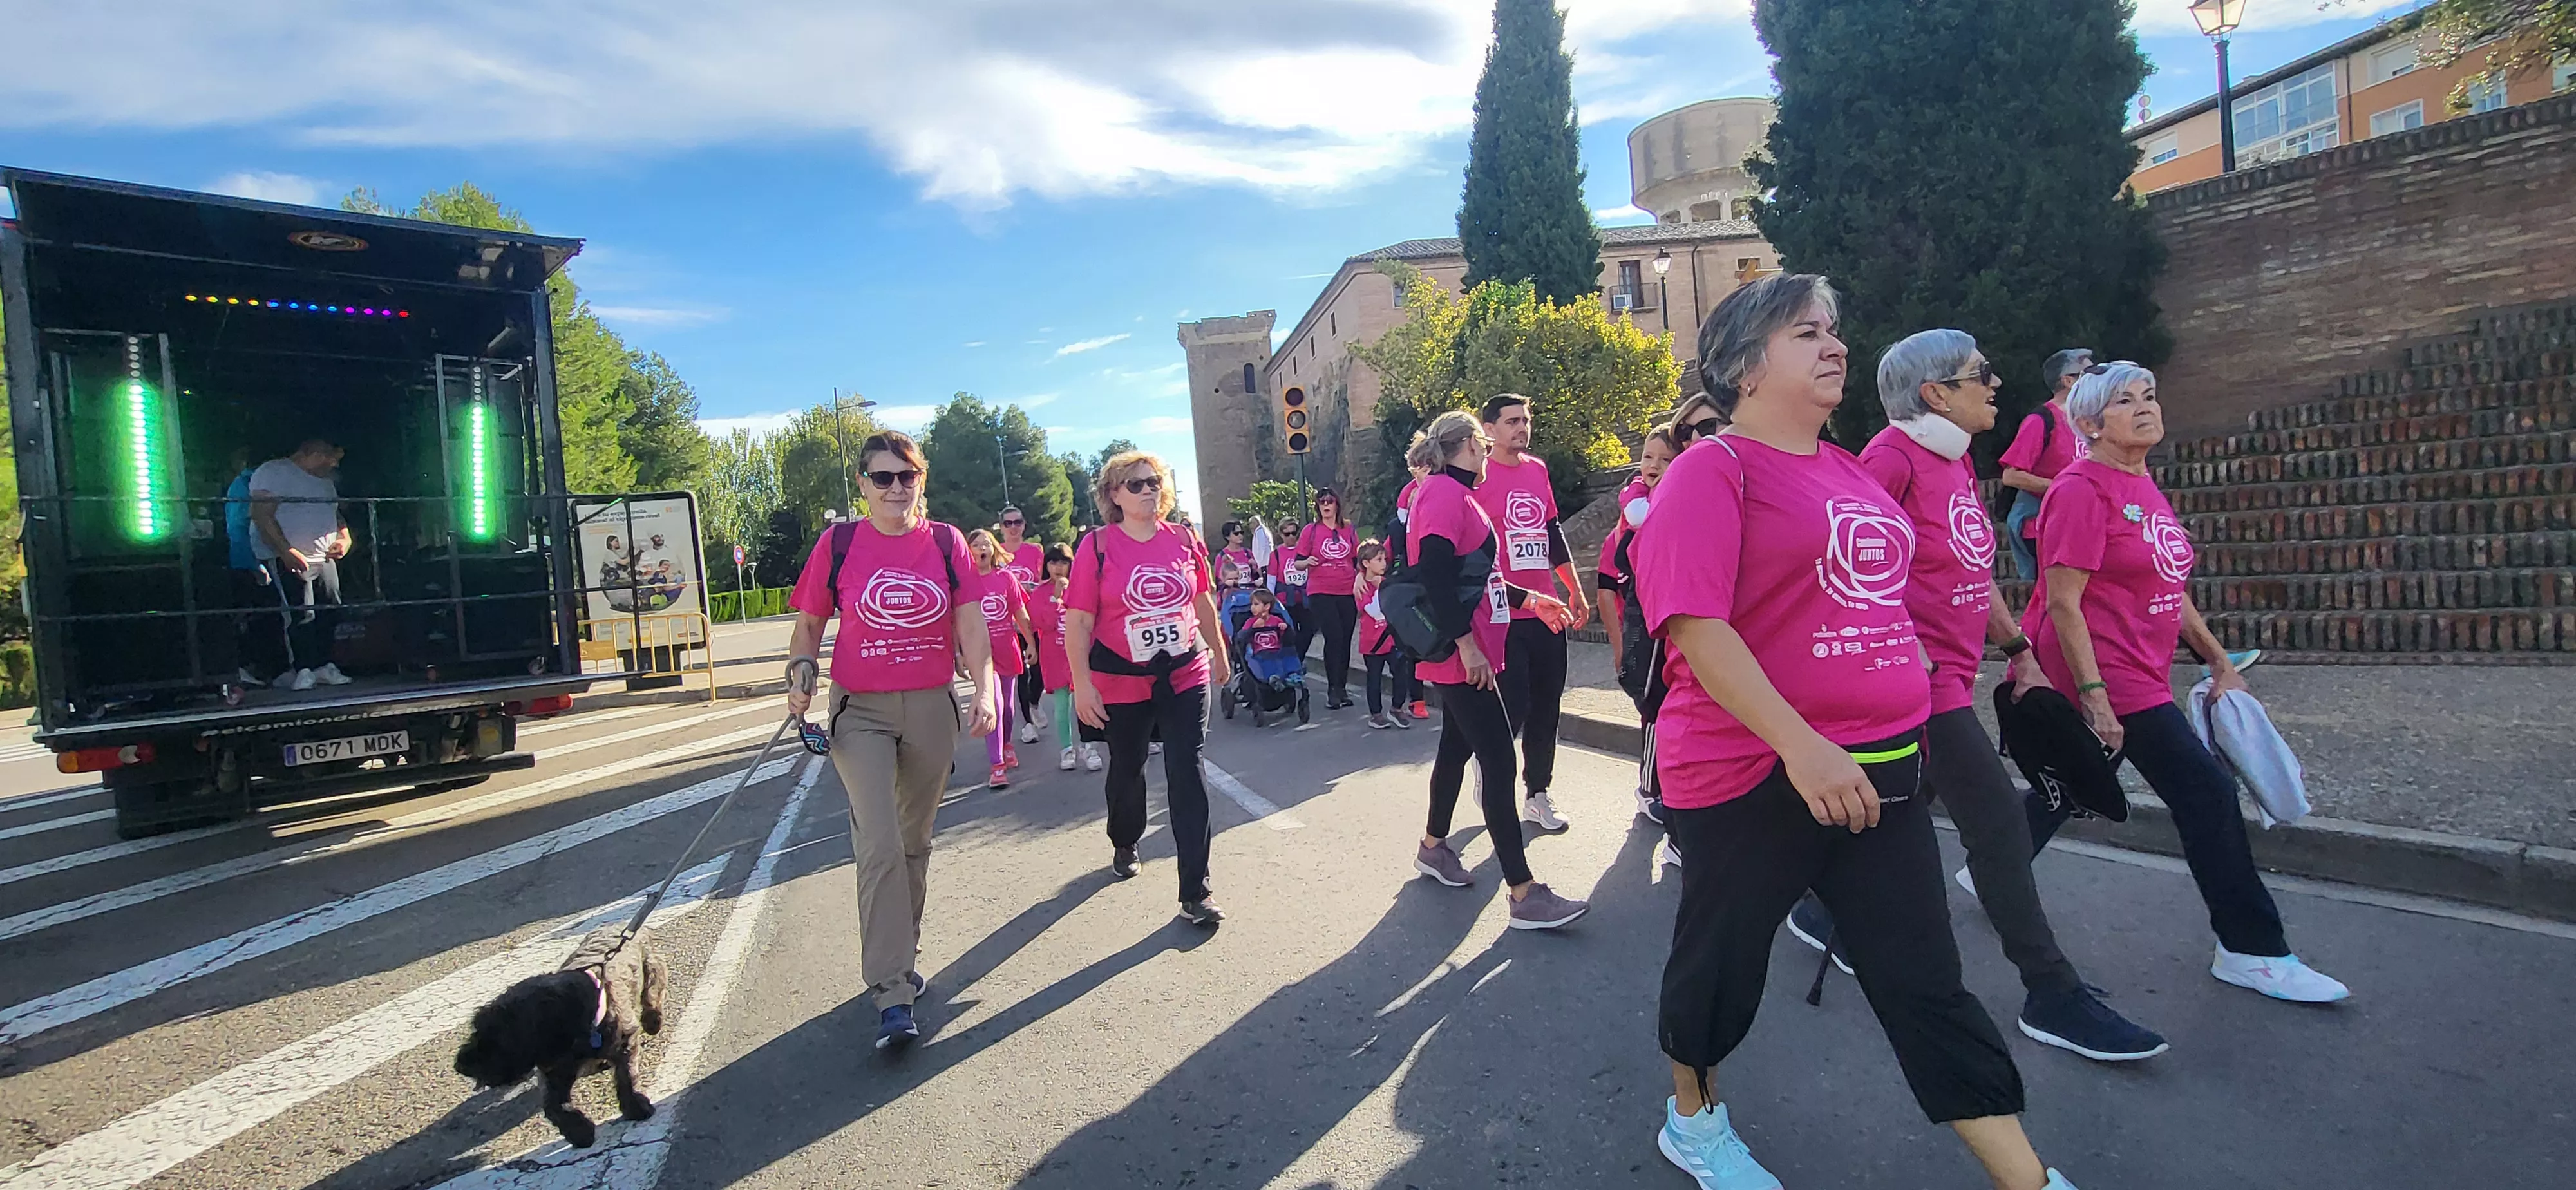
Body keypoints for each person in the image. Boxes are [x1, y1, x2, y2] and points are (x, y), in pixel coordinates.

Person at [1636, 274, 2078, 1190]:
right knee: (1721, 968)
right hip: (1751, 773)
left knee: (1926, 982)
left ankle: (2029, 1181)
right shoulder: (1711, 471)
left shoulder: (1849, 471)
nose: (1835, 346)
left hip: (1882, 771)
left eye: (1834, 329)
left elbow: (1887, 598)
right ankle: (1693, 1120)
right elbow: (1693, 624)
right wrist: (1802, 744)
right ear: (1746, 369)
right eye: (1807, 333)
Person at [1785, 328, 2167, 1063]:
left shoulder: (1952, 462)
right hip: (1919, 685)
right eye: (1978, 374)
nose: (1995, 384)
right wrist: (1898, 654)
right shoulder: (1890, 460)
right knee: (1997, 821)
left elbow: (1967, 570)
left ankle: (1821, 909)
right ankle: (2050, 993)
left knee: (1899, 808)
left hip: (1953, 678)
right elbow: (1848, 568)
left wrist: (2017, 650)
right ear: (1934, 394)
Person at [2023, 361, 2349, 1005]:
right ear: (2089, 423)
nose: (2145, 407)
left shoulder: (2142, 484)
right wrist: (2094, 696)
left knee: (2067, 787)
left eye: (2149, 396)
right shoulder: (2081, 489)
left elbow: (2168, 587)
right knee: (2205, 792)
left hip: (2140, 666)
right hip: (2107, 672)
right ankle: (2251, 950)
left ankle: (1991, 865)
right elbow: (2062, 601)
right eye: (2125, 401)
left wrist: (2217, 659)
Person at [784, 430, 998, 1052]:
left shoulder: (947, 543)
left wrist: (984, 690)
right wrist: (800, 674)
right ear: (863, 484)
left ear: (920, 481)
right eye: (883, 478)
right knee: (877, 843)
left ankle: (901, 954)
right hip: (862, 713)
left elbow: (970, 624)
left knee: (912, 843)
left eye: (907, 477)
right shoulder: (840, 542)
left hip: (932, 705)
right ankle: (892, 993)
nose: (896, 488)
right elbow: (808, 623)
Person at [1404, 411, 1590, 931]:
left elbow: (1478, 579)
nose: (1489, 454)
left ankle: (1434, 848)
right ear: (1466, 445)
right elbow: (1435, 578)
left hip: (1471, 650)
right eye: (1484, 444)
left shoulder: (1455, 494)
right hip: (1463, 657)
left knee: (1455, 750)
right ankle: (1524, 893)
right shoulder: (1443, 494)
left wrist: (1534, 599)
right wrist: (1467, 645)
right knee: (1498, 762)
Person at [1066, 451, 1233, 926]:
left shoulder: (1182, 539)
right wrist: (1082, 685)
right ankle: (1124, 837)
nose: (1147, 491)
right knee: (1128, 767)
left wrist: (1219, 654)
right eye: (1135, 484)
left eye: (1153, 482)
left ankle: (1195, 891)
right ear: (1113, 495)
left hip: (1183, 672)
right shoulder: (1097, 547)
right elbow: (1078, 622)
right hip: (1121, 680)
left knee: (1187, 768)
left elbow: (1202, 599)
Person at [1471, 394, 1591, 834]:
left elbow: (1551, 532)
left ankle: (1537, 793)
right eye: (1511, 421)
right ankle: (1491, 767)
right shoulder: (1478, 477)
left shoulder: (1537, 470)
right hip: (1504, 613)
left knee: (1547, 707)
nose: (1521, 428)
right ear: (1488, 429)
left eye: (1525, 420)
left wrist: (1573, 588)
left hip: (1548, 610)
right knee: (1515, 705)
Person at [1602, 426, 1680, 851]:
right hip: (1645, 616)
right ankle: (1650, 790)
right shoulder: (1637, 500)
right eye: (1648, 457)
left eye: (1663, 460)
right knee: (1653, 702)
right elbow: (1619, 558)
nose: (1652, 466)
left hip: (1670, 615)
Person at [249, 438, 355, 692]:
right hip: (291, 556)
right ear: (312, 453)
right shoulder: (274, 472)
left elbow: (335, 514)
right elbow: (261, 515)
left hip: (324, 557)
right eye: (330, 458)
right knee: (300, 613)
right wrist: (285, 550)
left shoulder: (325, 482)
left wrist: (345, 538)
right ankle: (301, 668)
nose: (333, 464)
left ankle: (323, 665)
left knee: (330, 609)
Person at [967, 529, 1034, 789]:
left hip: (1007, 648)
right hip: (981, 654)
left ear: (994, 549)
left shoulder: (1005, 578)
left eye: (986, 544)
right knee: (992, 702)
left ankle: (1006, 744)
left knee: (1007, 708)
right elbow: (955, 620)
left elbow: (1020, 612)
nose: (982, 548)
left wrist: (1030, 642)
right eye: (976, 545)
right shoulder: (964, 582)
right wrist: (959, 652)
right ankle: (996, 766)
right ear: (969, 551)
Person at [1028, 544, 1096, 771]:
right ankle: (1067, 750)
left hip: (1081, 653)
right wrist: (1055, 598)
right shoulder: (1039, 593)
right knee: (1061, 704)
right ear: (1046, 566)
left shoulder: (1081, 587)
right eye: (1053, 562)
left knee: (1085, 701)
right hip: (1055, 655)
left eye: (1064, 562)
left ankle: (1089, 746)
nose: (1058, 568)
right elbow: (1043, 624)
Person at [1293, 488, 1362, 709]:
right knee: (1334, 638)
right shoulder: (1311, 531)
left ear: (1337, 505)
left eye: (1330, 501)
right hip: (1321, 591)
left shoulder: (1348, 529)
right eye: (1322, 502)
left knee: (1345, 639)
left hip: (1347, 590)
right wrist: (1308, 562)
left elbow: (1357, 559)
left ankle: (1341, 688)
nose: (1326, 505)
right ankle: (1333, 690)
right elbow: (1297, 562)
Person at [222, 448, 285, 689]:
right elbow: (238, 528)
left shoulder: (254, 483)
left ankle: (267, 668)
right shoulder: (244, 485)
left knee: (268, 614)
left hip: (262, 559)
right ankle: (249, 667)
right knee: (257, 616)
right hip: (250, 562)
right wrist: (254, 564)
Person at [998, 506, 1047, 745]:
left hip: (1033, 620)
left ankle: (1035, 702)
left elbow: (1043, 581)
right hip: (1008, 624)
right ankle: (1028, 724)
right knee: (1022, 673)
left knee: (1040, 672)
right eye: (1008, 523)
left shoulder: (1035, 551)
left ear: (1024, 525)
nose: (1014, 527)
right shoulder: (998, 554)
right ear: (1001, 528)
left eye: (1017, 522)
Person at [1353, 541, 1414, 730]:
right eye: (1378, 559)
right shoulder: (1362, 587)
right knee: (1374, 679)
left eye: (1384, 559)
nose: (1383, 563)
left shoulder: (1386, 582)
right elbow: (1376, 612)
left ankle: (1397, 708)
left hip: (1392, 640)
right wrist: (1380, 589)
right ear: (1366, 563)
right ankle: (1376, 714)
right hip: (1372, 642)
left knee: (1400, 673)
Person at [1215, 522, 1260, 590]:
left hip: (1249, 594)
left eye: (1242, 533)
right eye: (1236, 533)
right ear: (1227, 537)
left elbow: (1256, 576)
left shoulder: (1248, 552)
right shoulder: (1222, 556)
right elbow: (1219, 583)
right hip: (1231, 596)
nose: (1240, 536)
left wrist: (1254, 567)